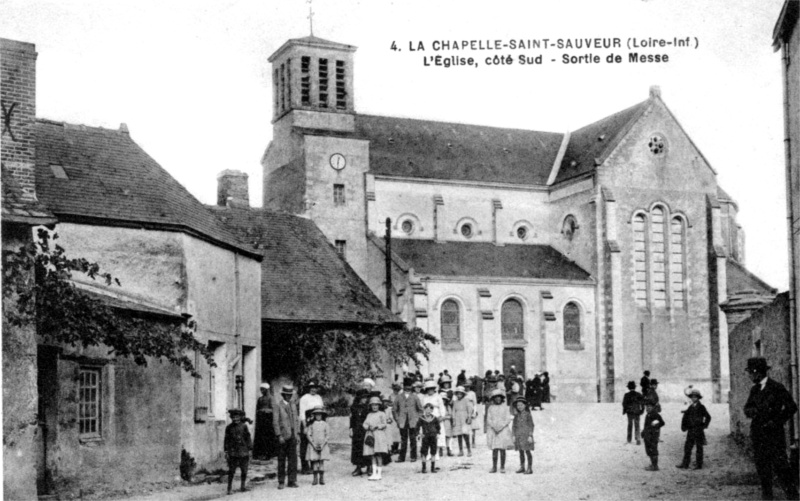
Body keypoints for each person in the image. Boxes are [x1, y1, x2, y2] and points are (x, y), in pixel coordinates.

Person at [743, 357, 799, 500]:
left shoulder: (776, 387)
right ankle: (767, 496)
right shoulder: (754, 389)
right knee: (762, 467)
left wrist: (776, 421)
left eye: (750, 372)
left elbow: (791, 407)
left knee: (781, 467)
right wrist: (751, 411)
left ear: (757, 373)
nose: (749, 376)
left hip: (773, 435)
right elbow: (747, 407)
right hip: (758, 434)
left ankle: (792, 496)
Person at [677, 387, 711, 470]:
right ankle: (685, 464)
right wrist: (684, 426)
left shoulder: (701, 407)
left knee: (699, 448)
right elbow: (686, 416)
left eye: (695, 397)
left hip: (698, 430)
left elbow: (708, 417)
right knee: (687, 447)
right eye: (692, 397)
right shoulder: (690, 407)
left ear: (698, 398)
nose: (693, 398)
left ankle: (699, 465)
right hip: (691, 430)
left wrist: (704, 426)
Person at [273, 385, 299, 489]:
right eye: (286, 395)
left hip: (293, 435)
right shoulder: (278, 406)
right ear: (283, 395)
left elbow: (296, 420)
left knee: (293, 459)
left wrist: (297, 434)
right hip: (283, 436)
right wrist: (279, 435)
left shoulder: (293, 405)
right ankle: (281, 481)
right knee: (281, 459)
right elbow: (275, 422)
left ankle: (292, 481)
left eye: (290, 395)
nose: (288, 397)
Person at [394, 377, 424, 462]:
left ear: (411, 387)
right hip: (402, 421)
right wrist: (397, 419)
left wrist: (417, 418)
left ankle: (413, 456)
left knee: (413, 439)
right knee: (403, 439)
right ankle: (401, 457)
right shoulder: (399, 397)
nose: (407, 388)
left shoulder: (415, 397)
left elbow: (421, 410)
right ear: (403, 386)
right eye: (406, 386)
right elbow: (394, 409)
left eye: (409, 386)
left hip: (413, 421)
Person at [224, 409, 252, 495]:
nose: (235, 419)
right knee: (231, 471)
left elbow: (248, 438)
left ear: (240, 417)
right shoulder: (229, 428)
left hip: (243, 452)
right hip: (233, 453)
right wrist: (226, 451)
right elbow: (226, 440)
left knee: (244, 470)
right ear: (231, 418)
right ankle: (229, 489)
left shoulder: (244, 426)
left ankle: (242, 486)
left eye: (237, 417)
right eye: (233, 417)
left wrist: (250, 449)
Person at [298, 381, 324, 475]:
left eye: (315, 387)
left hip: (316, 423)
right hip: (307, 422)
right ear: (308, 388)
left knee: (315, 443)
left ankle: (314, 465)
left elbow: (322, 410)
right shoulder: (304, 398)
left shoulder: (318, 397)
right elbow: (302, 413)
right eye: (311, 387)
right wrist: (304, 426)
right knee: (305, 444)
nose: (313, 389)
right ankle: (305, 467)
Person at [486, 388, 513, 473]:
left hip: (503, 430)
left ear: (502, 398)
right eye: (496, 397)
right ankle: (494, 467)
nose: (498, 399)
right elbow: (488, 419)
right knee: (495, 449)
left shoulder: (505, 407)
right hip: (493, 430)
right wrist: (494, 427)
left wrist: (501, 427)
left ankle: (502, 466)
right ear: (493, 399)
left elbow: (508, 419)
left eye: (499, 397)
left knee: (502, 449)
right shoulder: (490, 408)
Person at [420, 380, 447, 461]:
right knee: (427, 435)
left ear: (434, 389)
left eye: (431, 389)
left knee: (437, 435)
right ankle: (428, 453)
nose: (430, 390)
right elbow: (422, 408)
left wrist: (442, 416)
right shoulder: (424, 397)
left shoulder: (438, 396)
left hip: (436, 416)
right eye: (428, 389)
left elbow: (442, 407)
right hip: (427, 417)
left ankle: (436, 453)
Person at [363, 396, 389, 481]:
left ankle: (379, 473)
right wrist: (368, 427)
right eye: (373, 405)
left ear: (379, 405)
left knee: (378, 454)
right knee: (372, 454)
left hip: (379, 435)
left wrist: (377, 426)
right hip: (371, 435)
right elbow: (365, 424)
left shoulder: (382, 414)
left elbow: (384, 424)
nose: (374, 407)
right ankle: (374, 473)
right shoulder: (369, 414)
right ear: (370, 406)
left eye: (376, 405)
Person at [305, 406, 330, 486]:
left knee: (321, 462)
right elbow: (308, 435)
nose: (318, 416)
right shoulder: (311, 425)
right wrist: (313, 444)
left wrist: (323, 444)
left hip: (323, 445)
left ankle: (321, 478)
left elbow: (327, 435)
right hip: (314, 445)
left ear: (322, 415)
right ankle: (315, 478)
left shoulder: (325, 424)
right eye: (316, 415)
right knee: (315, 462)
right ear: (314, 416)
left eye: (320, 415)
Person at [253, 383, 277, 460]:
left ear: (267, 390)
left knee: (268, 438)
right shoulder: (260, 399)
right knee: (261, 438)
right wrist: (260, 412)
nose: (262, 391)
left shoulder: (271, 398)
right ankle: (260, 454)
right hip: (261, 421)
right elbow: (257, 409)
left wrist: (266, 410)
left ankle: (269, 454)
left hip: (268, 421)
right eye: (261, 389)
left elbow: (274, 409)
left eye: (263, 389)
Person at [349, 389, 370, 476]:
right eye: (363, 398)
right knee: (357, 448)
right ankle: (358, 467)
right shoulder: (353, 407)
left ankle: (369, 467)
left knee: (368, 447)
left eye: (366, 397)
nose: (365, 399)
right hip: (357, 430)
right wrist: (350, 429)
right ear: (359, 398)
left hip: (366, 430)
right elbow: (352, 419)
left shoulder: (369, 407)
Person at [511, 396, 534, 475]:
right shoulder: (516, 416)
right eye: (518, 405)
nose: (519, 407)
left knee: (527, 451)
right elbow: (514, 426)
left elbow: (531, 425)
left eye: (521, 405)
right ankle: (522, 466)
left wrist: (530, 436)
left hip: (526, 436)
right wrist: (513, 435)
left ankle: (530, 468)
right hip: (519, 435)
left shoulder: (528, 415)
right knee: (521, 452)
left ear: (525, 405)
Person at [641, 398, 665, 471]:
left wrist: (656, 424)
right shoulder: (647, 415)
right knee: (648, 450)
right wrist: (643, 432)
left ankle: (655, 466)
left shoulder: (656, 415)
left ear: (653, 407)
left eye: (649, 407)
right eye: (646, 407)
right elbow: (646, 425)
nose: (647, 408)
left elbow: (662, 423)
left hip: (654, 436)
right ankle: (652, 464)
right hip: (647, 436)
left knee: (653, 450)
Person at [452, 386, 474, 457]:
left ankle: (469, 450)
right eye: (458, 394)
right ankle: (461, 450)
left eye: (460, 394)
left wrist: (469, 417)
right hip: (458, 418)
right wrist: (454, 420)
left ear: (463, 394)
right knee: (459, 435)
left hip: (464, 418)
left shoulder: (466, 400)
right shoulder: (455, 402)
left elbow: (470, 409)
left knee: (465, 434)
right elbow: (453, 411)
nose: (459, 395)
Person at [419, 403, 440, 474]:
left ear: (432, 410)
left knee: (433, 452)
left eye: (430, 410)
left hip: (433, 437)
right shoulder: (421, 418)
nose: (428, 411)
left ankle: (432, 468)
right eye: (426, 409)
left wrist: (437, 433)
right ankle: (424, 468)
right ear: (424, 410)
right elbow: (417, 427)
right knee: (424, 452)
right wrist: (419, 434)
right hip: (425, 437)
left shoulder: (435, 418)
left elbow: (438, 427)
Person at [622, 381, 644, 445]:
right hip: (637, 412)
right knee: (637, 425)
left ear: (628, 388)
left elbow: (624, 404)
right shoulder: (639, 394)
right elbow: (642, 403)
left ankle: (629, 439)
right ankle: (638, 439)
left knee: (630, 425)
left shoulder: (626, 395)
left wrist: (626, 410)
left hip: (630, 412)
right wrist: (642, 410)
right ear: (635, 387)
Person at [466, 382, 482, 447]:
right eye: (465, 386)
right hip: (465, 410)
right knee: (466, 428)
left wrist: (474, 412)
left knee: (473, 427)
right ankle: (467, 442)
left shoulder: (472, 393)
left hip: (471, 410)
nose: (467, 388)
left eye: (468, 386)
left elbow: (475, 403)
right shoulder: (463, 393)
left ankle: (473, 442)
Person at [440, 390, 454, 457]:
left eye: (444, 400)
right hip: (441, 423)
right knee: (440, 436)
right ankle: (440, 450)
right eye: (442, 400)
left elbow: (450, 415)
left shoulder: (448, 407)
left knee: (448, 436)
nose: (443, 401)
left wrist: (445, 417)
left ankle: (449, 450)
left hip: (447, 423)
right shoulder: (439, 407)